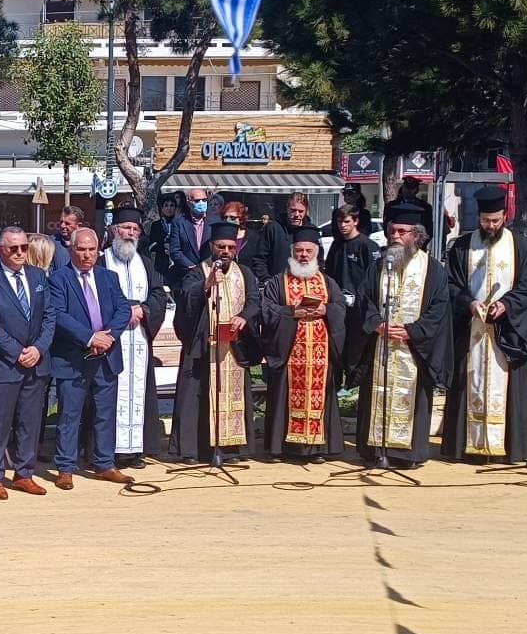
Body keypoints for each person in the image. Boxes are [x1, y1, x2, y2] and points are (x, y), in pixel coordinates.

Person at [441, 187, 527, 463]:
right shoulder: (462, 246)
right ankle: (466, 446)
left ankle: (507, 447)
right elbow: (451, 285)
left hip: (506, 331)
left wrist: (506, 304)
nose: (491, 226)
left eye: (495, 220)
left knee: (505, 383)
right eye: (485, 221)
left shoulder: (520, 245)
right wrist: (469, 303)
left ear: (505, 216)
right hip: (471, 327)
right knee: (468, 381)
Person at [355, 200, 450, 467]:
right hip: (381, 345)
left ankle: (407, 454)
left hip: (414, 348)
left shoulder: (433, 270)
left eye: (401, 231)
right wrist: (377, 323)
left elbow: (439, 309)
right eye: (391, 231)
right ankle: (377, 450)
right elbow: (364, 299)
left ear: (416, 236)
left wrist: (411, 331)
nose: (394, 236)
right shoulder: (378, 266)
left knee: (412, 397)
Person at [47, 227, 133, 487]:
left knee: (105, 413)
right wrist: (90, 338)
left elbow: (123, 309)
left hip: (107, 357)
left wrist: (109, 337)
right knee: (69, 415)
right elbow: (59, 315)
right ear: (71, 249)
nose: (87, 255)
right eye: (81, 249)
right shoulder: (58, 279)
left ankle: (105, 463)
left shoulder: (108, 277)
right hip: (74, 359)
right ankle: (65, 467)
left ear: (99, 250)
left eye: (91, 250)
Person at [173, 220, 261, 463]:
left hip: (233, 348)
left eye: (231, 247)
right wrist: (206, 285)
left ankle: (230, 449)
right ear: (212, 246)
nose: (226, 252)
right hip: (204, 346)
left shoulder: (244, 273)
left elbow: (254, 300)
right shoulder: (198, 271)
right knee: (198, 396)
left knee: (231, 396)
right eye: (221, 247)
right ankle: (194, 450)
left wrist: (244, 317)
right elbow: (186, 299)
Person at [258, 225, 346, 460]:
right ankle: (282, 448)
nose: (304, 255)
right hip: (289, 353)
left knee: (320, 397)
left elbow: (340, 308)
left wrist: (326, 309)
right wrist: (292, 313)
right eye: (299, 250)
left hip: (320, 355)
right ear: (292, 252)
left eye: (308, 251)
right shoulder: (278, 282)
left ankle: (316, 448)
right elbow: (266, 311)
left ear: (316, 252)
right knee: (284, 398)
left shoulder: (327, 283)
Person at [0, 227, 51, 499]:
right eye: (14, 248)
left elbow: (49, 316)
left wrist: (38, 349)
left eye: (24, 247)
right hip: (6, 364)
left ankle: (24, 473)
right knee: (0, 422)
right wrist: (17, 352)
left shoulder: (38, 276)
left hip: (36, 361)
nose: (20, 253)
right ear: (0, 250)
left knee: (30, 422)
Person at [101, 206, 163, 465]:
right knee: (109, 393)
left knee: (138, 391)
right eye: (126, 228)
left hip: (139, 337)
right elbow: (94, 298)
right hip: (111, 339)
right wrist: (123, 313)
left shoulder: (145, 263)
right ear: (115, 230)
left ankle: (135, 449)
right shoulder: (101, 260)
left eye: (135, 229)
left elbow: (159, 295)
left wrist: (143, 310)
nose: (130, 233)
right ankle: (108, 451)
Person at [164, 191, 212, 293]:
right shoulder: (179, 223)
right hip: (186, 276)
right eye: (197, 201)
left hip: (209, 274)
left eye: (204, 200)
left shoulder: (214, 221)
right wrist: (192, 267)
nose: (201, 203)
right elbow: (175, 251)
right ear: (189, 203)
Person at [47, 207, 84, 272]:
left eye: (67, 223)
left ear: (78, 225)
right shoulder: (50, 242)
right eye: (61, 222)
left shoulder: (86, 243)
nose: (62, 226)